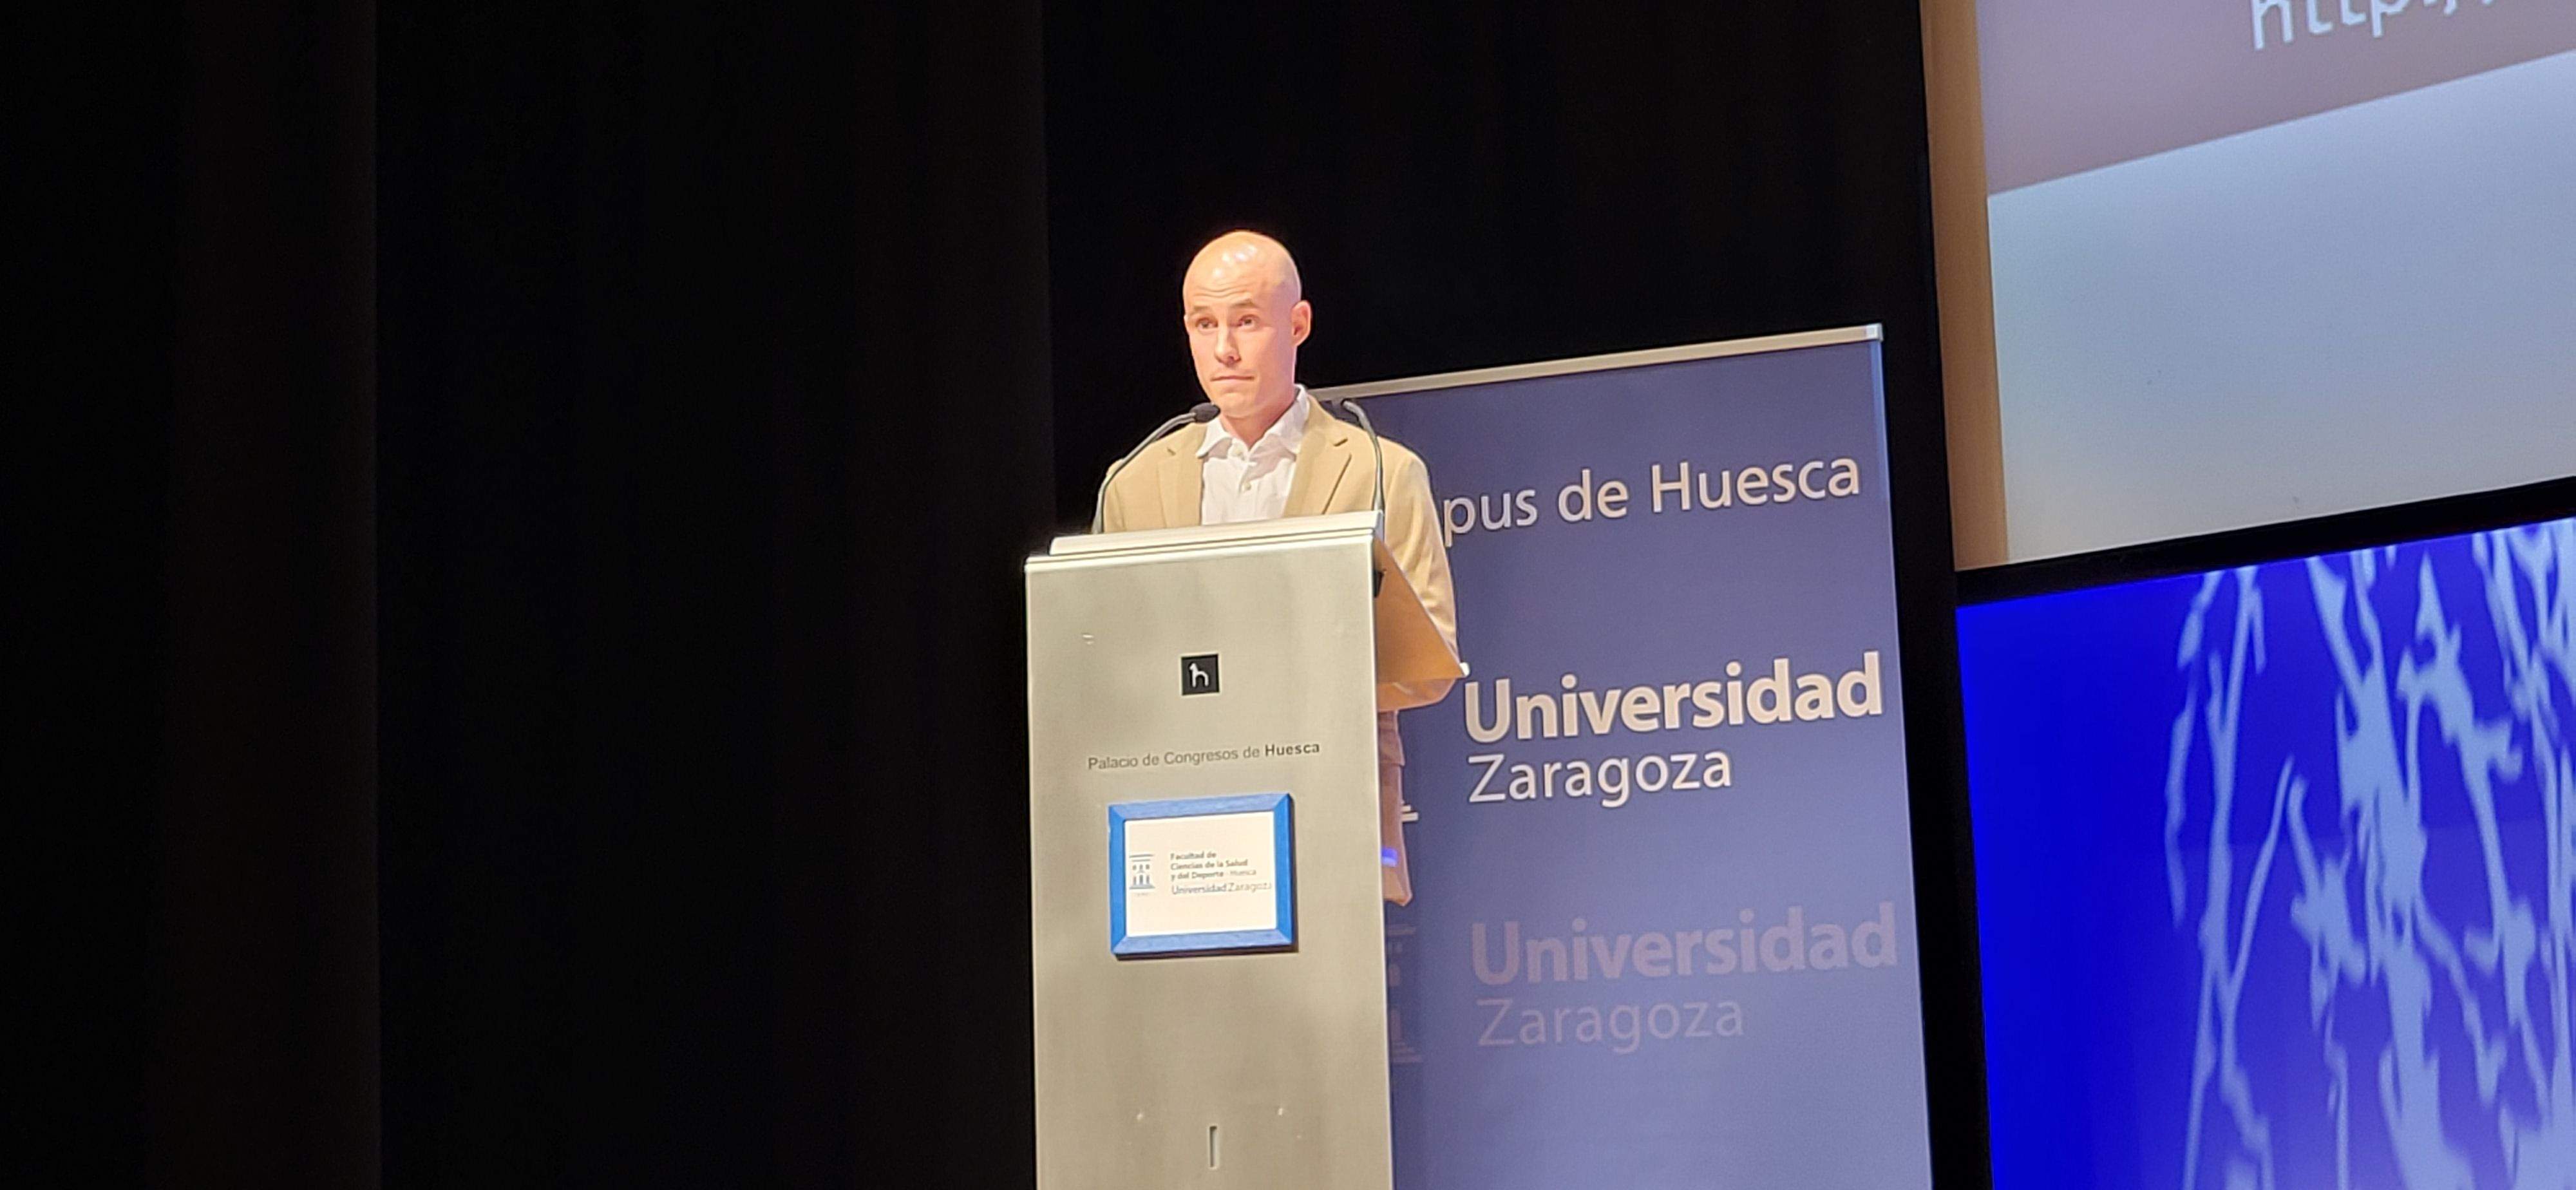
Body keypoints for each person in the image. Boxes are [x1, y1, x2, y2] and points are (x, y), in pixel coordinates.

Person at [1099, 230, 1457, 906]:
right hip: (1177, 822)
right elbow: (1109, 667)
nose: (1224, 349)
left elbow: (1427, 665)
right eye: (1204, 325)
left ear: (1298, 324)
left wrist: (1271, 690)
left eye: (1245, 322)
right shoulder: (1135, 482)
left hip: (1332, 816)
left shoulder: (1382, 469)